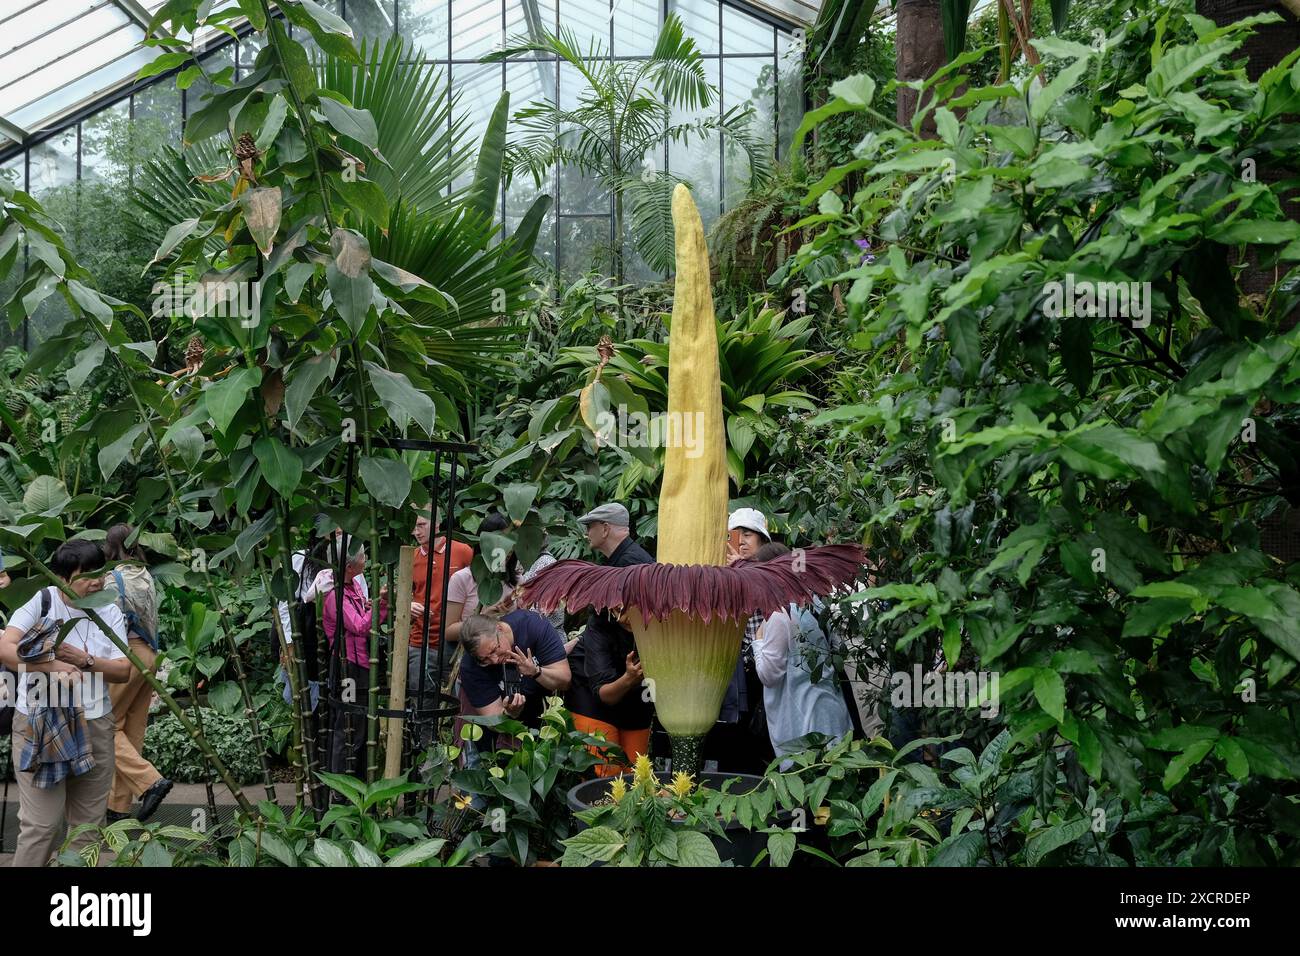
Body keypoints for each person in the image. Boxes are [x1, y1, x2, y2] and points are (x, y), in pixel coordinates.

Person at [0, 540, 132, 867]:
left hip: (95, 724)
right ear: (62, 578)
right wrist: (53, 666)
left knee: (88, 828)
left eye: (100, 572)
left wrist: (85, 661)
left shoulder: (109, 610)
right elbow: (5, 649)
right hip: (39, 723)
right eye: (87, 575)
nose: (97, 581)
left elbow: (123, 670)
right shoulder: (41, 602)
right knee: (41, 826)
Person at [564, 503, 656, 776]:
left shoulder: (632, 565)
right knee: (607, 776)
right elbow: (600, 626)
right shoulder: (614, 565)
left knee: (633, 775)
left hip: (631, 680)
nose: (586, 533)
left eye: (590, 526)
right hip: (599, 681)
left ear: (605, 528)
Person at [751, 542, 853, 765]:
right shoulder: (814, 603)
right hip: (831, 710)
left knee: (809, 790)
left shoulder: (779, 615)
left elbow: (769, 675)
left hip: (803, 724)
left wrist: (757, 640)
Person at [101, 524, 172, 824]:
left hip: (126, 654)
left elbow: (108, 625)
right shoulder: (144, 574)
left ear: (112, 546)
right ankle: (118, 808)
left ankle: (150, 781)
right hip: (149, 656)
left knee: (105, 726)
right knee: (132, 731)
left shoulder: (112, 580)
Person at [704, 507, 776, 773]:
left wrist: (740, 571)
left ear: (763, 541)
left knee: (760, 742)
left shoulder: (772, 569)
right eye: (735, 536)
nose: (742, 541)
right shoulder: (724, 571)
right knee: (735, 741)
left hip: (767, 668)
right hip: (736, 671)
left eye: (748, 535)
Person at [321, 541, 387, 776]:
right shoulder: (336, 596)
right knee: (348, 724)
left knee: (361, 724)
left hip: (361, 666)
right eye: (362, 556)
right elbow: (359, 626)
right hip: (348, 670)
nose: (366, 558)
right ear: (349, 566)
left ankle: (357, 780)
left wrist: (373, 606)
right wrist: (381, 606)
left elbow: (361, 619)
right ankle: (340, 785)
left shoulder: (353, 588)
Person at [459, 611, 570, 731]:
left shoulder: (532, 626)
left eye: (493, 650)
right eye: (484, 659)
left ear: (499, 628)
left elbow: (565, 681)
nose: (495, 660)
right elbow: (493, 720)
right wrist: (510, 713)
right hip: (507, 735)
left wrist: (536, 672)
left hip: (547, 717)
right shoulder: (470, 665)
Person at [409, 506, 473, 711]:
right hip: (421, 642)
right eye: (413, 526)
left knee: (460, 705)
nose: (416, 531)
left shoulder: (462, 551)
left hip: (455, 642)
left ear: (437, 524)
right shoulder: (410, 556)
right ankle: (423, 743)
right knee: (422, 706)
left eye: (421, 525)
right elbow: (404, 595)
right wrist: (408, 605)